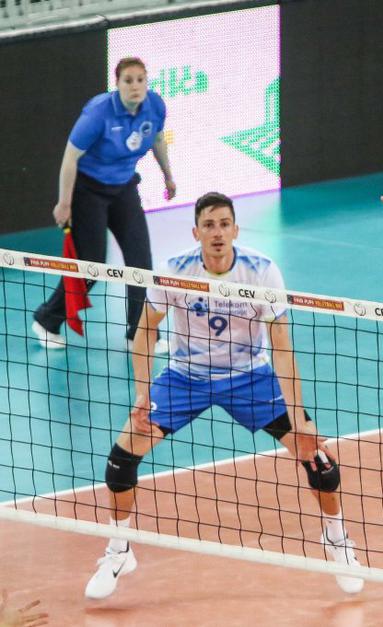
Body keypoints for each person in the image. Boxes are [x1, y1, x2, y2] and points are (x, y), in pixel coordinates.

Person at [83, 192, 364, 600]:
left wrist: (298, 417)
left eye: (224, 224)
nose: (217, 232)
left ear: (236, 229)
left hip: (249, 377)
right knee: (120, 459)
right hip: (186, 377)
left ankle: (337, 540)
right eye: (209, 225)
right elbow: (145, 331)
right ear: (195, 232)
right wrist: (142, 395)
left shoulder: (261, 272)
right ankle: (119, 550)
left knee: (318, 459)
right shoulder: (174, 271)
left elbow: (282, 348)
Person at [32, 57, 175, 353]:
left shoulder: (155, 106)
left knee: (141, 262)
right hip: (88, 191)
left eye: (140, 80)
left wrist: (168, 177)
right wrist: (64, 203)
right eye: (128, 80)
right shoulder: (98, 113)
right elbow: (70, 158)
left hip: (124, 187)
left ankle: (139, 332)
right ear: (117, 83)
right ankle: (47, 320)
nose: (135, 86)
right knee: (92, 265)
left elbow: (158, 139)